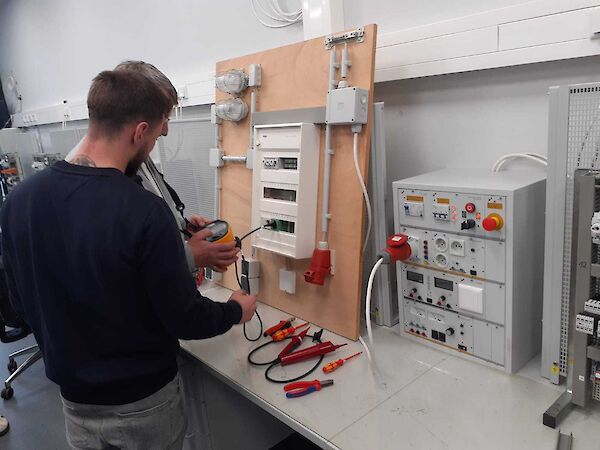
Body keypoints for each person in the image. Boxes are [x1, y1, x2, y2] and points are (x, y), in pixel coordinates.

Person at [1, 68, 257, 450]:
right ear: (139, 132)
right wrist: (236, 310)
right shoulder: (143, 211)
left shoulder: (19, 200)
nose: (153, 146)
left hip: (74, 403)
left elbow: (19, 306)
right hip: (144, 404)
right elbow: (184, 318)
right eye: (154, 138)